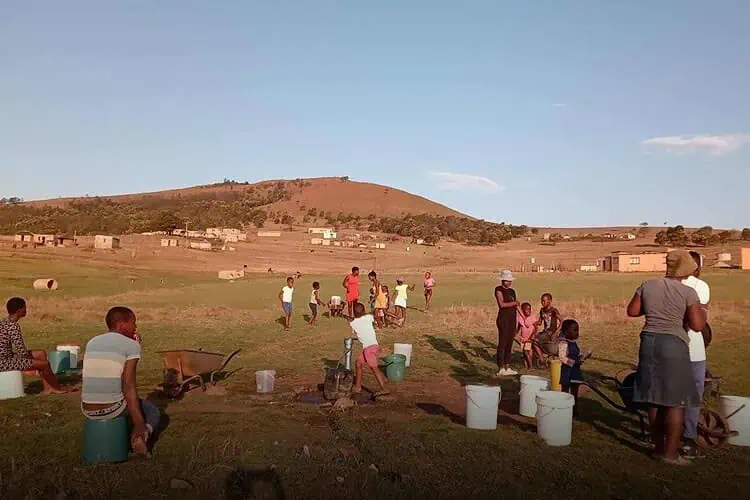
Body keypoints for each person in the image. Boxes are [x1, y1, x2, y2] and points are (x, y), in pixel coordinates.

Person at [627, 250, 705, 466]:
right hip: (673, 345)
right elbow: (698, 325)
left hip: (648, 343)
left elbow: (632, 311)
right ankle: (671, 455)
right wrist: (701, 311)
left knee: (653, 398)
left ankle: (658, 448)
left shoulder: (648, 285)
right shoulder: (688, 292)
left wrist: (654, 309)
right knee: (675, 402)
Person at [82, 307, 161, 457]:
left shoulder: (92, 342)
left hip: (87, 408)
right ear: (121, 324)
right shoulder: (131, 345)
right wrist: (139, 423)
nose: (136, 326)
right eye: (133, 322)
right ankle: (141, 437)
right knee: (152, 411)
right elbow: (129, 385)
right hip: (112, 409)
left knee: (127, 403)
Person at [0, 297, 65, 395]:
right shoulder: (13, 326)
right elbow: (22, 351)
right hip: (4, 362)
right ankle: (56, 388)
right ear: (19, 311)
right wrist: (34, 363)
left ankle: (48, 388)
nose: (26, 310)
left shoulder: (5, 322)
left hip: (7, 357)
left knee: (41, 354)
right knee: (45, 364)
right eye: (25, 308)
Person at [681, 251, 710, 459]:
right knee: (692, 396)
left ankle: (663, 435)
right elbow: (699, 323)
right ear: (697, 268)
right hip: (693, 350)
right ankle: (688, 439)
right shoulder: (701, 286)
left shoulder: (664, 284)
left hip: (667, 348)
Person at [349, 303, 388, 396]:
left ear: (354, 313)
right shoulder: (369, 317)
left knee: (374, 368)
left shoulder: (353, 323)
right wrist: (379, 324)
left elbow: (355, 331)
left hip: (368, 348)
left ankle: (384, 388)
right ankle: (358, 387)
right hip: (373, 345)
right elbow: (375, 316)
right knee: (358, 363)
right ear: (364, 311)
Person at [558, 319, 591, 416]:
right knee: (565, 391)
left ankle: (574, 410)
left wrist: (582, 357)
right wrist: (574, 362)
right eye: (575, 330)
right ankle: (564, 409)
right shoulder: (563, 343)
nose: (577, 333)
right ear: (566, 332)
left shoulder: (574, 343)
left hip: (575, 371)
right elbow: (562, 357)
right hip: (567, 371)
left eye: (578, 330)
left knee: (575, 391)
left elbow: (577, 354)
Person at [495, 270, 519, 376]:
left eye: (510, 281)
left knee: (509, 342)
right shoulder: (498, 290)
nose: (509, 282)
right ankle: (501, 367)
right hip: (503, 319)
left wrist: (523, 318)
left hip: (512, 318)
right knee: (502, 343)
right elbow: (502, 304)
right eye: (507, 280)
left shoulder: (512, 291)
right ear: (502, 280)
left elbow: (517, 306)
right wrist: (514, 303)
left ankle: (507, 366)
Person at [516, 302, 537, 370]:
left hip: (529, 338)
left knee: (526, 351)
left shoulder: (532, 318)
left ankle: (531, 366)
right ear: (522, 311)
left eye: (529, 309)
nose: (529, 311)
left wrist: (533, 335)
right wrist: (514, 334)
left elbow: (536, 328)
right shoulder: (520, 319)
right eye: (527, 309)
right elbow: (518, 328)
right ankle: (526, 366)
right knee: (525, 353)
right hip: (523, 339)